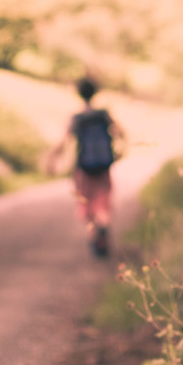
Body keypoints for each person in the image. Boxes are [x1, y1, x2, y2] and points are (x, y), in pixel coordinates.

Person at [46, 76, 125, 257]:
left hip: (84, 168)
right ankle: (103, 225)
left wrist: (51, 159)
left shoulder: (77, 118)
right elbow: (121, 133)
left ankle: (94, 236)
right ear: (95, 92)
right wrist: (121, 151)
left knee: (87, 204)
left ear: (79, 94)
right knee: (103, 200)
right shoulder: (104, 115)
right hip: (104, 166)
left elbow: (64, 142)